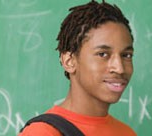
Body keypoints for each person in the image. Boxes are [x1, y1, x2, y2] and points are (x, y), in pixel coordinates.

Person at [19, 0, 137, 135]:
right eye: (102, 54)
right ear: (69, 61)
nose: (119, 68)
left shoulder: (126, 132)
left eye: (126, 55)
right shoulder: (43, 132)